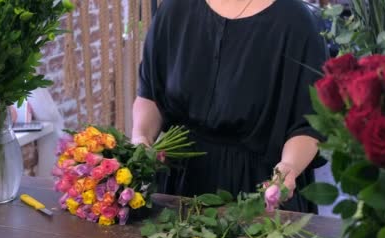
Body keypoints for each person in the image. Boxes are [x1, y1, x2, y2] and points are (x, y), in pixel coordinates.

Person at [131, 0, 328, 213]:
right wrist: (141, 137)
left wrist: (289, 168)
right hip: (179, 185)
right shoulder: (174, 9)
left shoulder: (297, 22)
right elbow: (151, 93)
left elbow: (310, 123)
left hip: (260, 191)